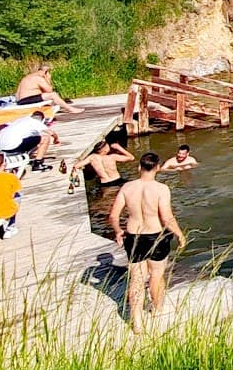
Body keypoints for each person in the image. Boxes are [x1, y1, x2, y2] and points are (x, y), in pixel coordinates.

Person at [107, 151, 185, 334]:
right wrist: (180, 234)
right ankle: (157, 310)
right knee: (156, 275)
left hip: (134, 236)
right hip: (155, 235)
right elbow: (167, 217)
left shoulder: (127, 187)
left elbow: (113, 215)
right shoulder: (161, 189)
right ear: (157, 168)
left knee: (137, 278)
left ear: (139, 167)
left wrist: (118, 231)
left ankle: (137, 322)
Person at [68, 134, 135, 189]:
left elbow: (76, 166)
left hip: (105, 183)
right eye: (108, 146)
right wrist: (118, 147)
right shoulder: (112, 157)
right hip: (118, 180)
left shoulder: (92, 157)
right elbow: (131, 158)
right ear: (105, 150)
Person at [13, 64, 81, 114]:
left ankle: (59, 107)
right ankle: (70, 109)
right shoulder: (39, 78)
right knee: (53, 95)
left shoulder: (28, 77)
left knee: (46, 96)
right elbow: (49, 90)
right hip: (26, 100)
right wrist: (48, 79)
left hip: (20, 100)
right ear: (46, 72)